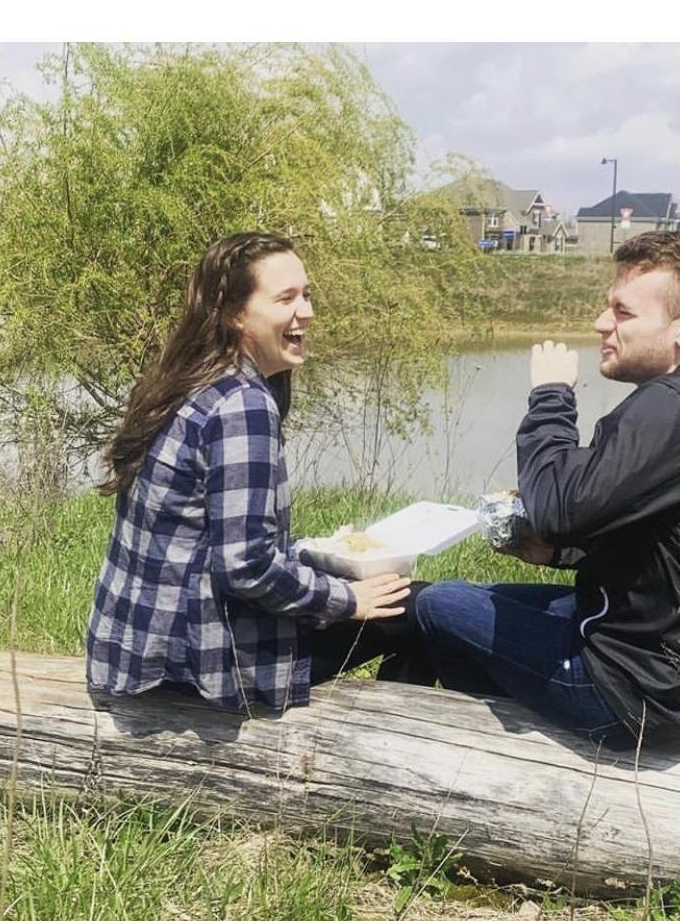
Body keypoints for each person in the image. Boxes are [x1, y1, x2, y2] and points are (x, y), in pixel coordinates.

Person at [415, 231, 680, 747]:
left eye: (623, 312)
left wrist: (551, 396)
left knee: (437, 604)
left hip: (632, 695)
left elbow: (555, 508)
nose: (601, 323)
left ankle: (465, 749)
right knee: (479, 600)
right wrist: (558, 551)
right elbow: (655, 531)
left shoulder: (674, 409)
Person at [86, 232, 433, 716]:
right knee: (420, 610)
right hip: (199, 666)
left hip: (132, 650)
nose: (306, 311)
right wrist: (346, 598)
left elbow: (212, 545)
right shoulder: (241, 405)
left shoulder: (188, 381)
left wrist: (319, 559)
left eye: (307, 295)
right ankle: (391, 750)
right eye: (285, 298)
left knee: (399, 599)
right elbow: (245, 566)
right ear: (234, 314)